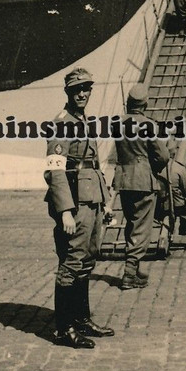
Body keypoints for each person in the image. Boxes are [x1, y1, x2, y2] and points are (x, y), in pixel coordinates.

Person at [44, 67, 115, 348]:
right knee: (72, 263)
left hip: (93, 200)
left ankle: (81, 319)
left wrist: (106, 200)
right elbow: (54, 170)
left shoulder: (83, 120)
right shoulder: (62, 123)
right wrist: (65, 210)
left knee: (87, 260)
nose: (83, 93)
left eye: (87, 88)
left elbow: (94, 166)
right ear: (68, 92)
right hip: (75, 204)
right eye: (77, 89)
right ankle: (64, 329)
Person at [112, 84, 170, 290]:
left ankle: (135, 271)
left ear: (128, 102)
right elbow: (162, 156)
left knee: (132, 223)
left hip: (124, 180)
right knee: (142, 227)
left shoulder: (116, 124)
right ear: (145, 103)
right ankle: (129, 273)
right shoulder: (149, 125)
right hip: (144, 181)